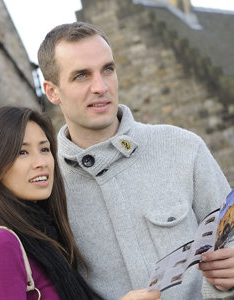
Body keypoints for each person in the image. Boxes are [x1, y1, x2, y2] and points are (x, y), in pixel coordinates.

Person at [38, 21, 234, 300]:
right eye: (81, 76)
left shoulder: (183, 147)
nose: (100, 87)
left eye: (107, 69)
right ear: (52, 91)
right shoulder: (46, 183)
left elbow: (231, 236)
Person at [0, 105, 160, 299]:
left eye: (44, 149)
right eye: (22, 152)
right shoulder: (0, 245)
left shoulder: (44, 236)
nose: (41, 162)